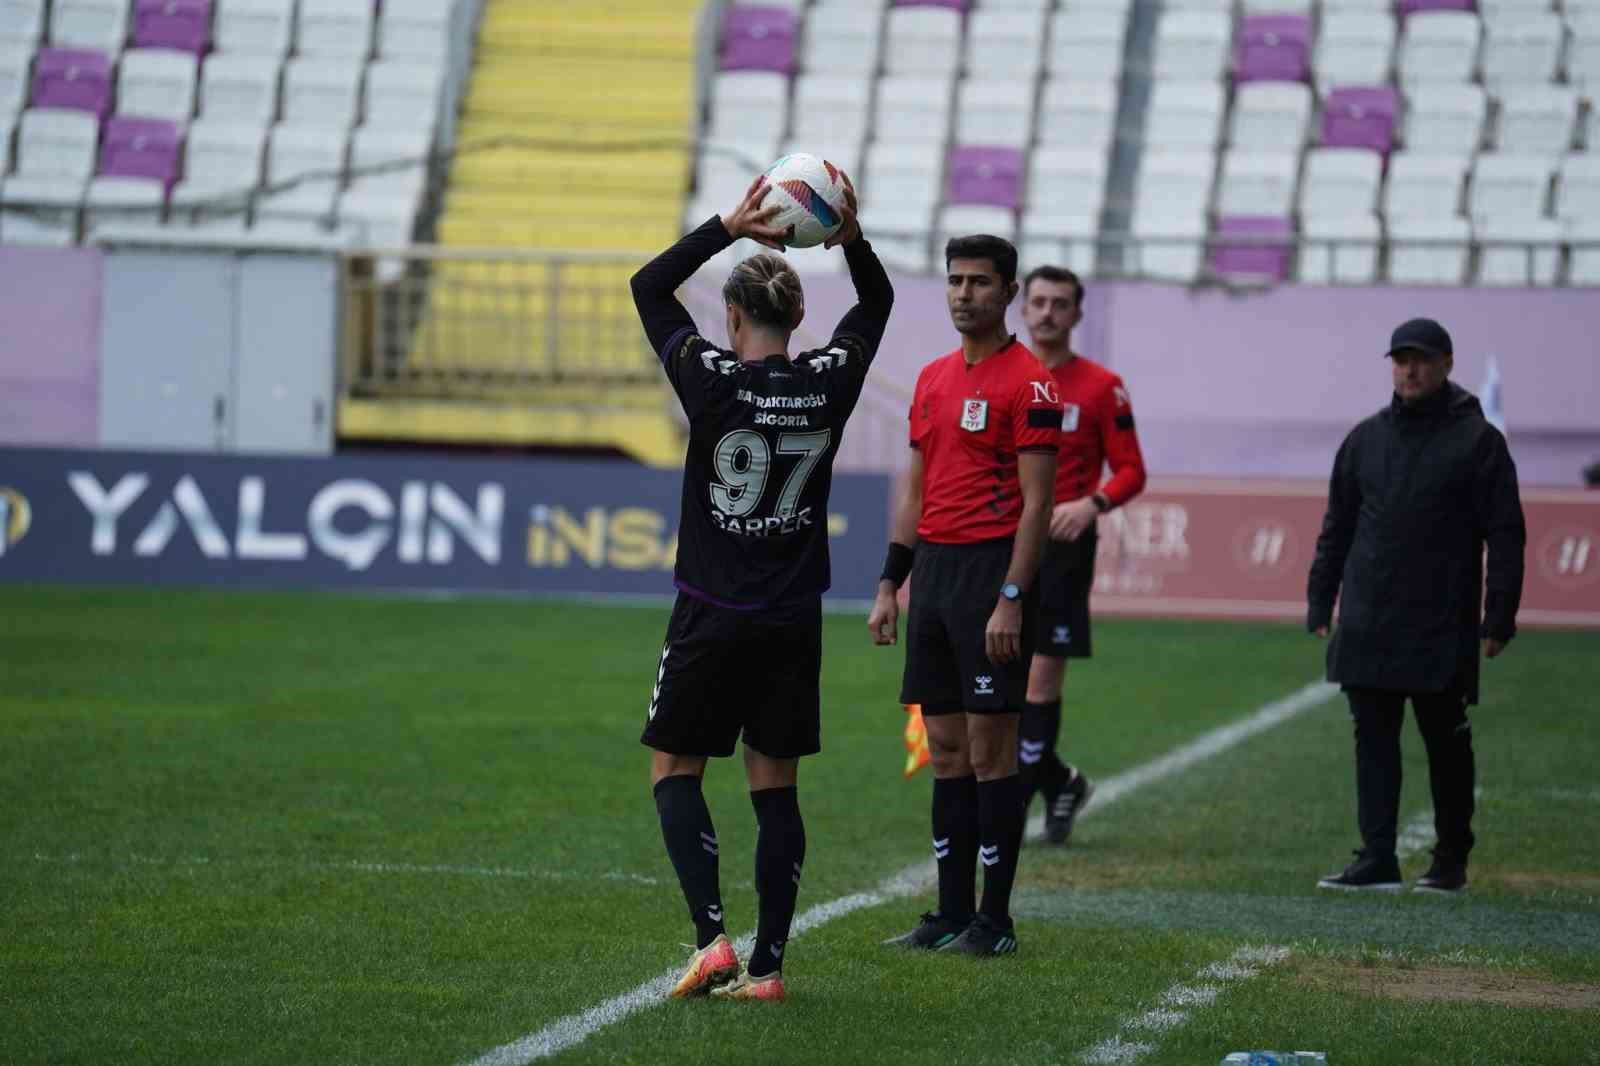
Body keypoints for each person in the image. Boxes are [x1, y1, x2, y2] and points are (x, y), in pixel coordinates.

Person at [630, 174, 893, 1000]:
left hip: (710, 613)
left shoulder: (709, 379)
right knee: (774, 786)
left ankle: (713, 941)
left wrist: (727, 226)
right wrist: (848, 237)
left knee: (676, 766)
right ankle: (771, 968)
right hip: (790, 619)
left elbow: (648, 286)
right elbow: (875, 303)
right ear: (801, 318)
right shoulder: (826, 383)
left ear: (732, 319)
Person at [868, 235, 1061, 956]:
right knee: (945, 747)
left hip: (991, 575)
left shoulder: (1031, 385)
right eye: (954, 281)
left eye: (979, 282)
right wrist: (891, 582)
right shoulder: (931, 379)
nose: (963, 294)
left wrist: (1012, 596)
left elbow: (1038, 507)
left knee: (990, 749)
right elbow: (914, 492)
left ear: (1007, 291)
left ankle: (996, 921)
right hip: (936, 580)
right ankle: (949, 913)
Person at [1308, 317, 1525, 895]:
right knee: (1372, 739)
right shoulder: (1364, 439)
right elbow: (1339, 526)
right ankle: (1376, 857)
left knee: (1446, 742)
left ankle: (1451, 861)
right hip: (1369, 616)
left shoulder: (1479, 442)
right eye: (1401, 359)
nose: (1409, 369)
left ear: (1448, 363)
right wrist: (1320, 596)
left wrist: (1499, 614)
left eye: (1422, 359)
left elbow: (1506, 534)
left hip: (1441, 620)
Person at [1016, 266, 1146, 844]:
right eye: (1038, 302)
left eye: (1059, 304)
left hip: (1063, 549)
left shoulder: (1101, 385)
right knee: (988, 686)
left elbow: (1132, 470)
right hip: (996, 542)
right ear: (1023, 308)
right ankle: (1061, 782)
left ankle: (1012, 806)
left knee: (1040, 682)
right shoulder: (1001, 377)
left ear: (1076, 314)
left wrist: (1090, 504)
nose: (1047, 312)